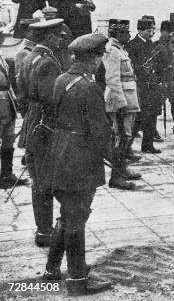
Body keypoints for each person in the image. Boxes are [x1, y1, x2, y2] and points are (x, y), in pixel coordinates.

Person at [43, 33, 112, 295]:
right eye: (99, 56)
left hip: (59, 155)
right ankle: (77, 281)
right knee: (76, 218)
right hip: (80, 161)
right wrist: (111, 157)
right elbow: (100, 132)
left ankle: (51, 271)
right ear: (93, 59)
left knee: (68, 213)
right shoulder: (89, 88)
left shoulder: (62, 79)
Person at [21, 19, 66, 246]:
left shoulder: (29, 57)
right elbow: (51, 99)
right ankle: (45, 232)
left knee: (38, 179)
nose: (60, 40)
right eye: (58, 36)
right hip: (44, 127)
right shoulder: (47, 62)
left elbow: (21, 92)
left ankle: (43, 230)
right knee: (44, 181)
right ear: (49, 37)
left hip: (32, 122)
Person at [103, 19, 141, 190]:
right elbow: (112, 78)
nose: (129, 35)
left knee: (125, 137)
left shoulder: (119, 50)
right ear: (117, 34)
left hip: (128, 98)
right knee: (121, 138)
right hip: (121, 101)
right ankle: (116, 177)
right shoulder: (113, 51)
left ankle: (122, 170)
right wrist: (120, 103)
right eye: (126, 32)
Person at [126, 18, 164, 153]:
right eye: (149, 30)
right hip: (139, 86)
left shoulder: (150, 44)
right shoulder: (132, 45)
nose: (152, 32)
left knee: (152, 115)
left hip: (151, 86)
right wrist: (142, 69)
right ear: (140, 30)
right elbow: (131, 66)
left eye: (153, 29)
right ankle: (126, 149)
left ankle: (148, 145)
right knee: (138, 118)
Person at [0, 28, 29, 189]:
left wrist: (15, 100)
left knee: (8, 138)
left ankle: (7, 174)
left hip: (6, 100)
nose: (2, 39)